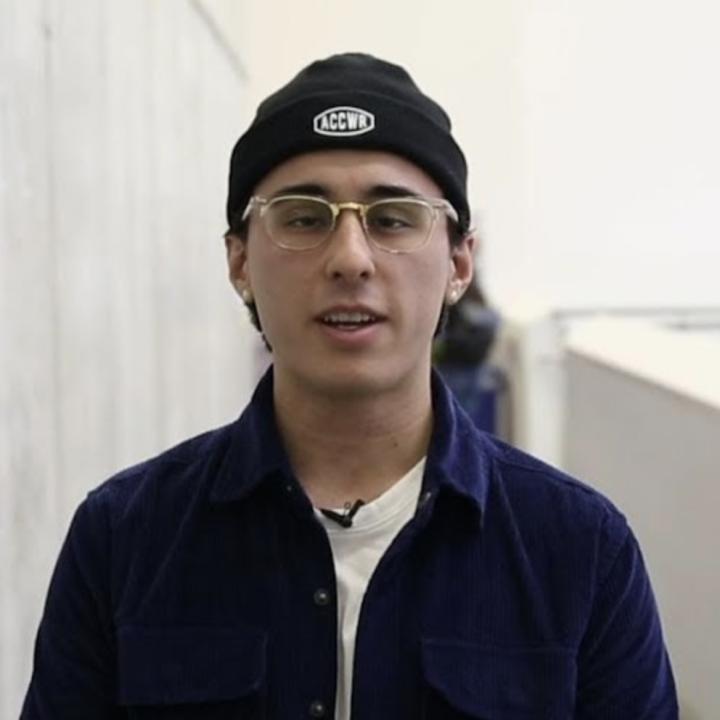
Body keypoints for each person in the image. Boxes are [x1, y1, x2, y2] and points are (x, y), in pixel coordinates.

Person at [21, 53, 678, 719]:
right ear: (240, 261)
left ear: (458, 263)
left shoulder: (580, 551)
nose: (350, 259)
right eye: (304, 218)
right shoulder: (125, 539)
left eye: (392, 218)